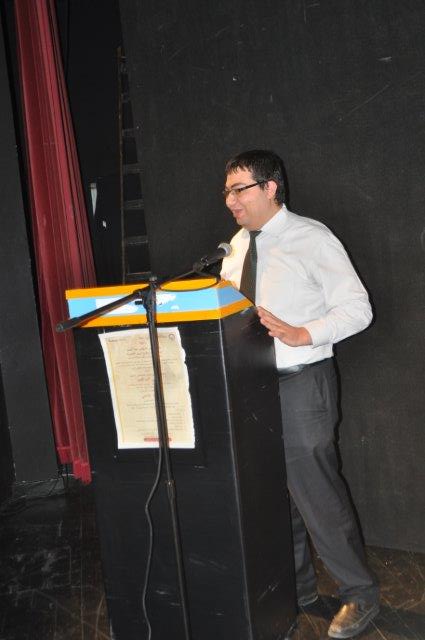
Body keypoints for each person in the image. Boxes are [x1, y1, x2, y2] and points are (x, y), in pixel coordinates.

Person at [220, 150, 379, 639]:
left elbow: (359, 309)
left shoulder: (312, 238)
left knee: (316, 495)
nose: (230, 201)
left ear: (270, 188)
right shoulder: (236, 246)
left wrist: (302, 333)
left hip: (302, 382)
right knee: (273, 496)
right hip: (251, 388)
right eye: (227, 192)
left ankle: (360, 594)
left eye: (239, 190)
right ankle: (299, 588)